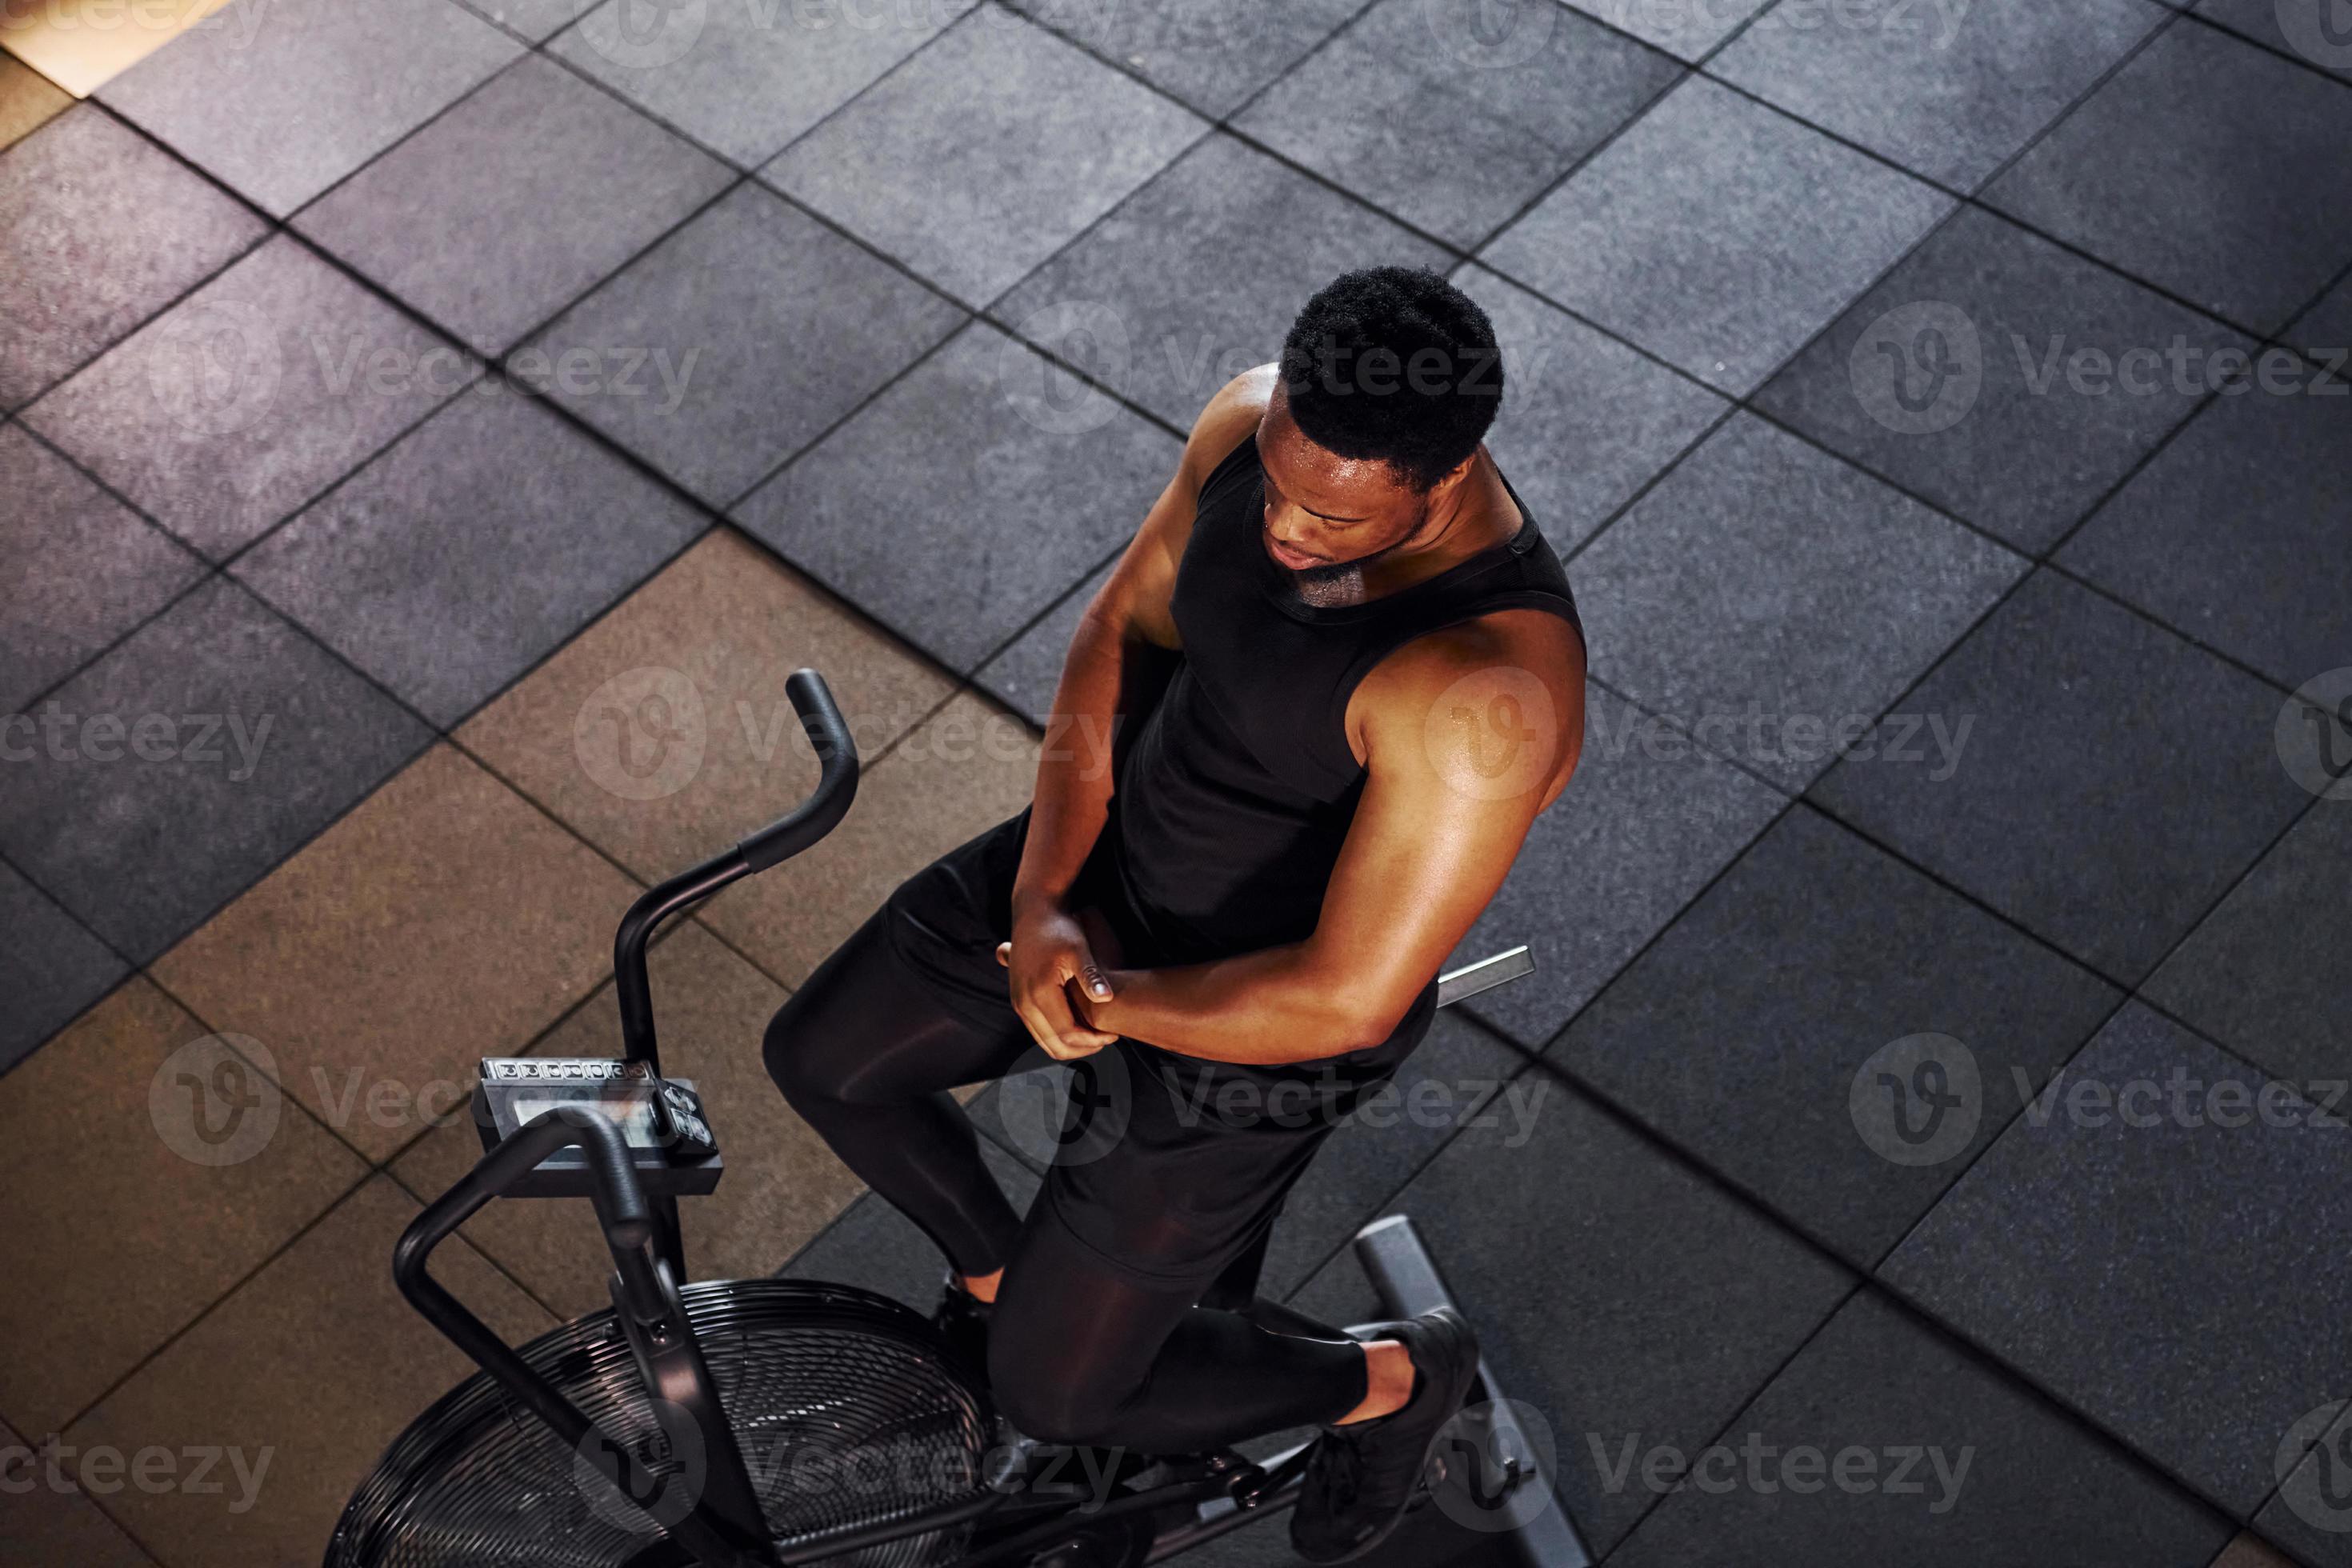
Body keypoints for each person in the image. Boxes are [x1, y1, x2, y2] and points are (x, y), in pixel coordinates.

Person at [764, 265, 1586, 1562]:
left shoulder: (1481, 686)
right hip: (1107, 879)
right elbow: (1121, 633)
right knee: (826, 1059)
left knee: (1060, 1393)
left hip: (1262, 1031)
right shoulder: (1246, 430)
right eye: (1279, 484)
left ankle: (1394, 1380)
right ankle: (1002, 1290)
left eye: (1332, 519)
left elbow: (1348, 994)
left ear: (1448, 472)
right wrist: (1044, 902)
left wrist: (1113, 1004)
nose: (1286, 532)